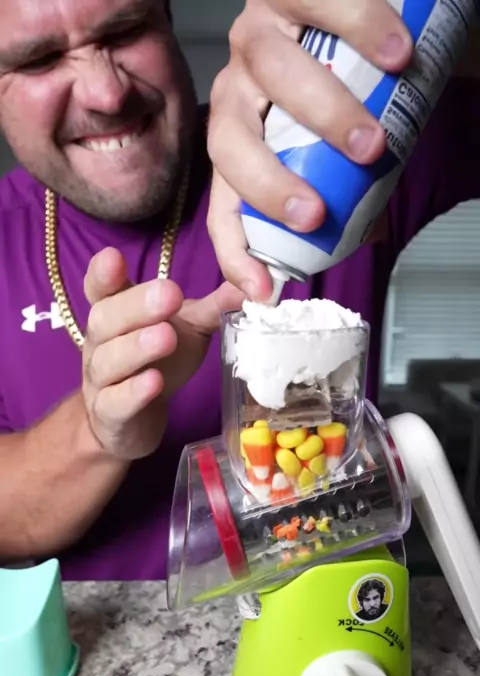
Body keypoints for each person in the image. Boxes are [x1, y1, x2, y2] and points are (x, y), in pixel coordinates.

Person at [0, 0, 478, 581]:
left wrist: (382, 32)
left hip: (334, 606)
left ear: (168, 25)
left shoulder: (317, 147)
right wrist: (101, 427)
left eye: (125, 31)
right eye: (40, 59)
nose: (106, 94)